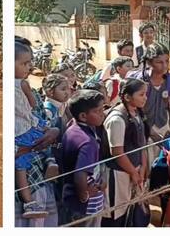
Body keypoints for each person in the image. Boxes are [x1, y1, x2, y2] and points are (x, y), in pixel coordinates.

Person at [15, 39, 60, 219]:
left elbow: (38, 112)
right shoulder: (22, 86)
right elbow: (34, 109)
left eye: (29, 62)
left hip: (37, 171)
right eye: (25, 63)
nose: (29, 67)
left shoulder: (26, 87)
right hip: (27, 141)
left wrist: (54, 131)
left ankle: (30, 203)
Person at [101, 78, 150, 227]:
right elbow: (117, 152)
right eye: (141, 95)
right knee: (116, 214)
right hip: (118, 175)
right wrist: (133, 173)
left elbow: (141, 145)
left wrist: (142, 169)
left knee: (131, 211)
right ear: (128, 97)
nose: (145, 98)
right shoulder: (117, 119)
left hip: (134, 171)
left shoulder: (137, 114)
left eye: (145, 94)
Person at [60, 89, 107, 227]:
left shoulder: (73, 127)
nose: (102, 114)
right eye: (97, 111)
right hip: (86, 206)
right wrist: (84, 195)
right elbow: (80, 174)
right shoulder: (87, 141)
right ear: (83, 116)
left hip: (70, 198)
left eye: (102, 109)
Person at [128, 44, 170, 166]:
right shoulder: (139, 81)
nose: (165, 66)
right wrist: (151, 133)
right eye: (159, 62)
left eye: (167, 61)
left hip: (164, 128)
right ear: (149, 62)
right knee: (145, 167)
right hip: (141, 129)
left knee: (163, 166)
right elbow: (134, 111)